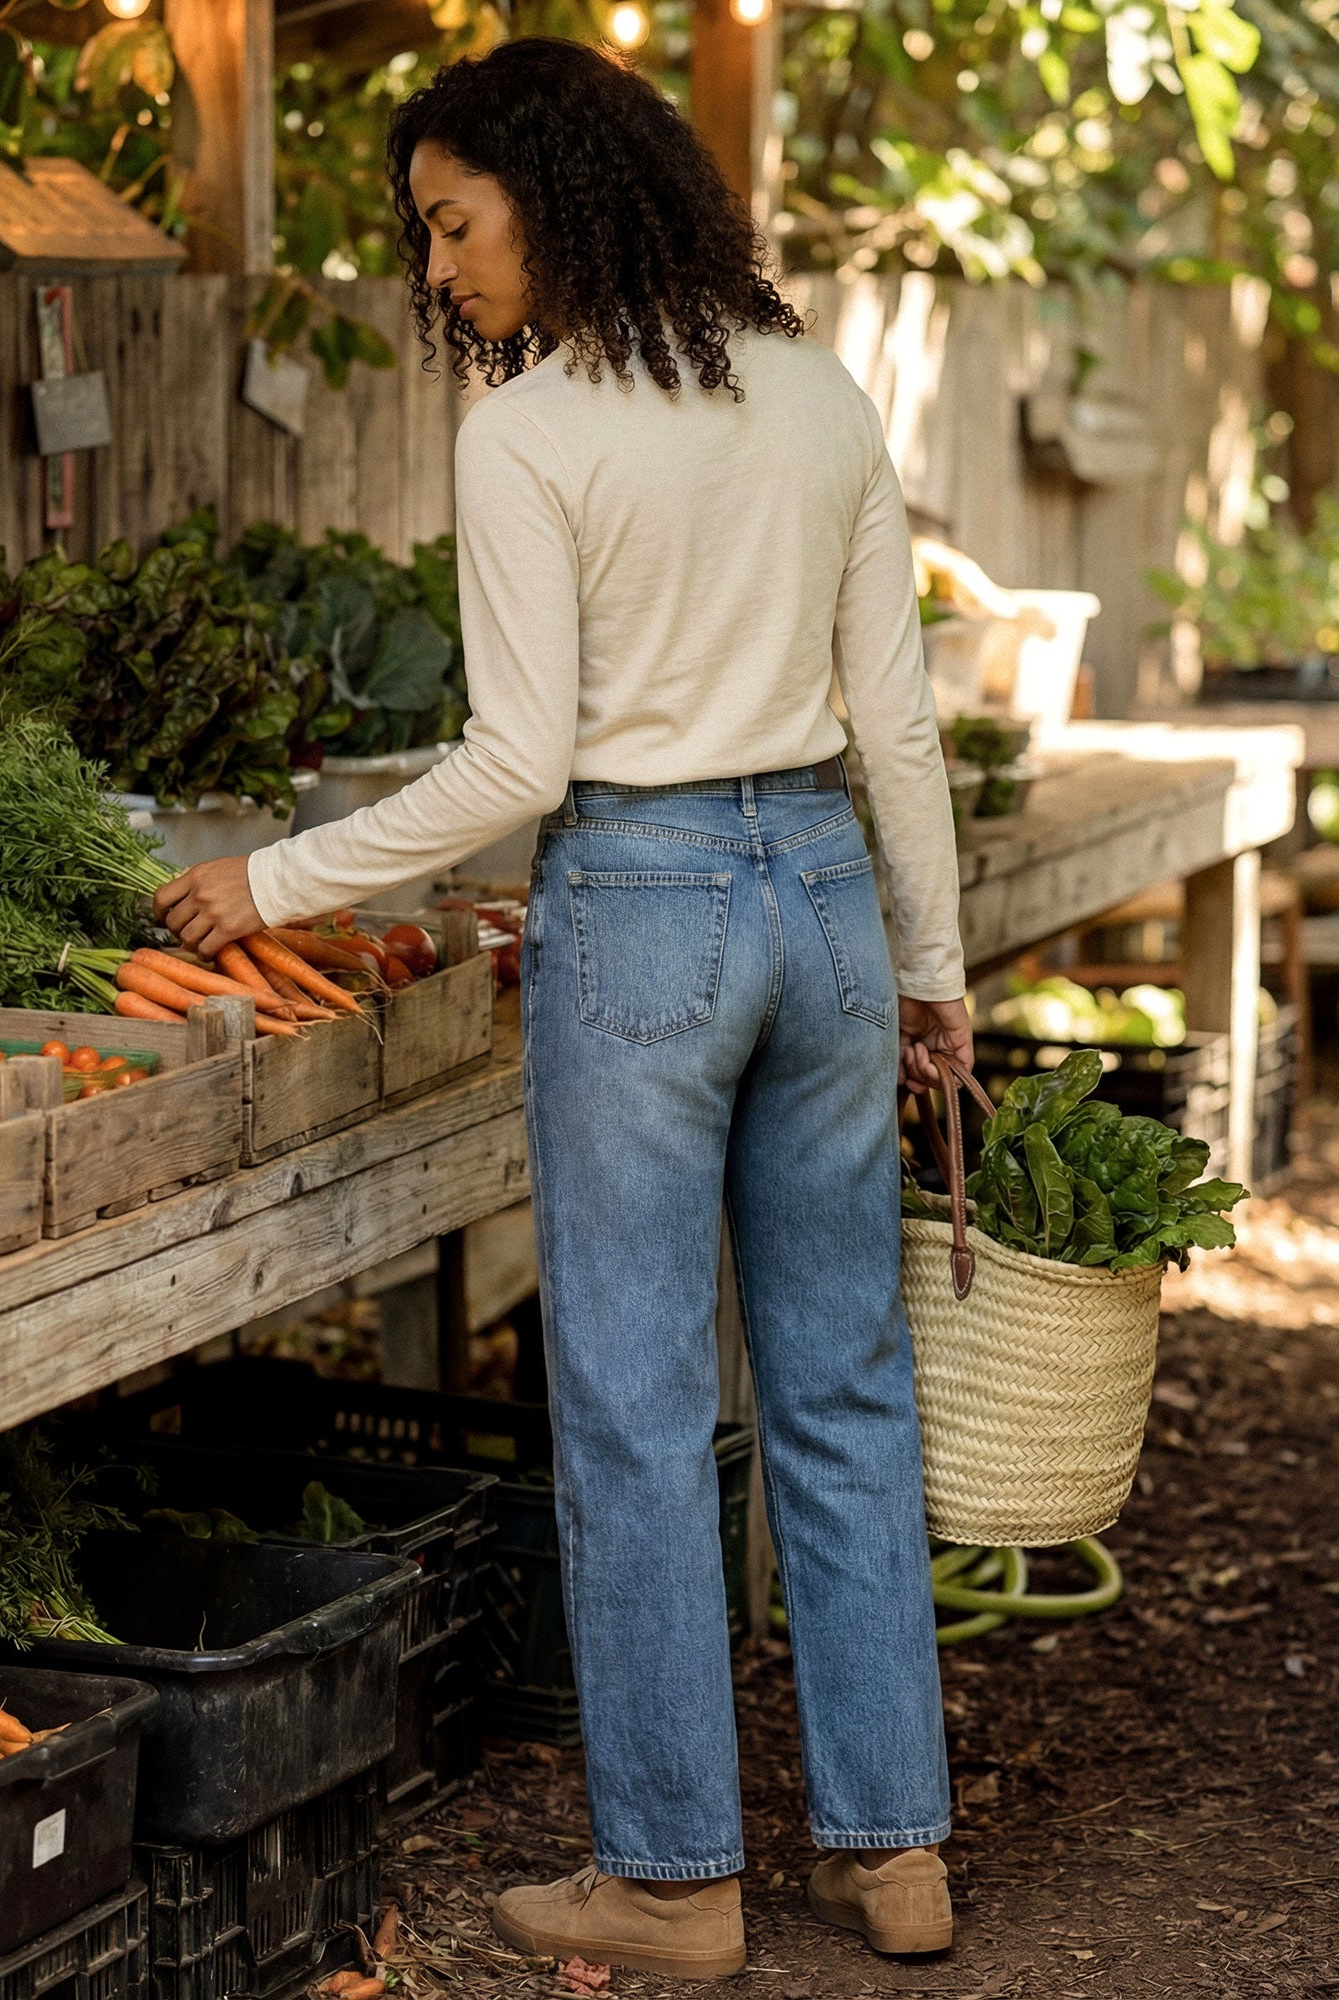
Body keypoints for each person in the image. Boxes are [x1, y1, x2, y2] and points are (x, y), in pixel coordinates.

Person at [155, 35, 972, 1983]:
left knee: (621, 1405)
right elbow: (899, 720)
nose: (438, 268)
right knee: (842, 1388)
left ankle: (674, 1882)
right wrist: (930, 971)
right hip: (824, 900)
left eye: (454, 222)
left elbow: (515, 765)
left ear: (554, 189)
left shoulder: (531, 431)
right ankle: (896, 1854)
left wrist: (262, 883)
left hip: (642, 908)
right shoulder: (811, 388)